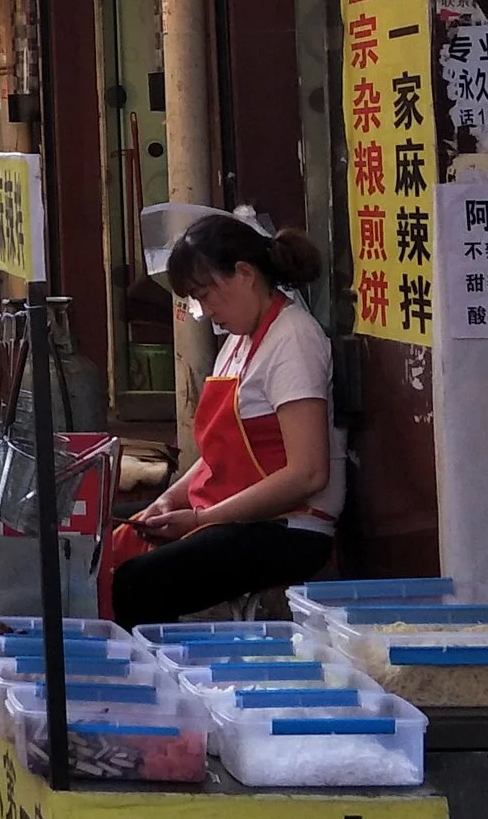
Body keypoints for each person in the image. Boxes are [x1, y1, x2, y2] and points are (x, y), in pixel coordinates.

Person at [108, 214, 342, 630]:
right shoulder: (236, 340)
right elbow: (217, 454)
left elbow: (308, 473)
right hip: (239, 513)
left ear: (244, 274)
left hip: (291, 528)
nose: (206, 310)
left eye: (206, 293)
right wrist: (168, 502)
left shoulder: (294, 339)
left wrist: (201, 519)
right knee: (113, 541)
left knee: (138, 582)